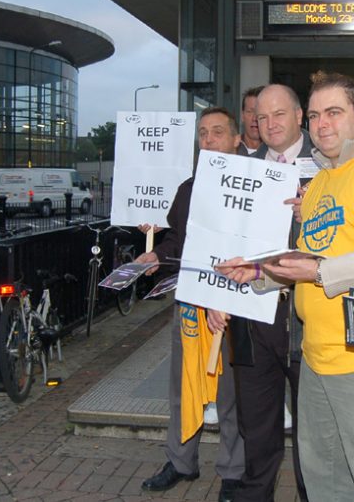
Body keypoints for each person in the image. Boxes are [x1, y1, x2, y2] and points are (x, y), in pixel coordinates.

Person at [219, 72, 354, 501]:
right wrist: (259, 274)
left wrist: (318, 272)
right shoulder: (319, 183)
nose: (322, 124)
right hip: (313, 358)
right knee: (323, 479)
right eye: (315, 115)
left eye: (334, 112)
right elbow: (306, 259)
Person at [136, 107, 245, 502]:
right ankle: (181, 461)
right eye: (203, 133)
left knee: (232, 392)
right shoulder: (187, 189)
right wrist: (155, 256)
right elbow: (175, 244)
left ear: (237, 139)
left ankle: (233, 472)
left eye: (218, 131)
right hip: (191, 304)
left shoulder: (255, 187)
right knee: (182, 387)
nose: (209, 139)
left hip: (236, 307)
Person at [216, 84, 312, 502]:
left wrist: (317, 213)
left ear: (299, 117)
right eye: (262, 118)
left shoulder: (330, 168)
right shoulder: (241, 169)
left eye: (279, 115)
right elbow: (220, 241)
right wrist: (216, 296)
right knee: (256, 425)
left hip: (308, 321)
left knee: (314, 431)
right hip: (251, 318)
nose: (269, 125)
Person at [237, 86, 264, 156]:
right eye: (250, 111)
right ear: (242, 116)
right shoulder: (230, 147)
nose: (254, 118)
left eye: (259, 111)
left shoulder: (278, 153)